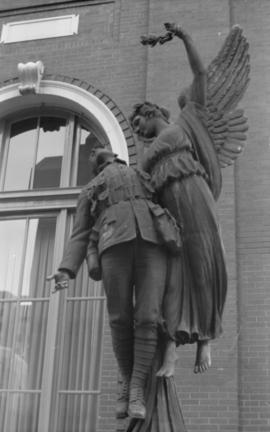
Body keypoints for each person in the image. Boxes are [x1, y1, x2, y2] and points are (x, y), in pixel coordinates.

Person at [47, 140, 181, 420]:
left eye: (100, 149)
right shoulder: (89, 190)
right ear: (94, 163)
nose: (99, 151)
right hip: (112, 246)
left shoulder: (144, 175)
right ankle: (126, 381)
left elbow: (173, 199)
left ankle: (135, 390)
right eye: (94, 152)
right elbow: (80, 233)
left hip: (152, 244)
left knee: (148, 316)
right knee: (119, 317)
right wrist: (66, 269)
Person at [130, 23, 228, 376]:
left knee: (202, 261)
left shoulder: (186, 120)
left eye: (138, 120)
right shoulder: (145, 155)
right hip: (169, 213)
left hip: (194, 196)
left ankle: (206, 336)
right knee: (173, 276)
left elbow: (200, 72)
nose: (137, 129)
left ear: (154, 111)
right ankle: (170, 347)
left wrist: (186, 37)